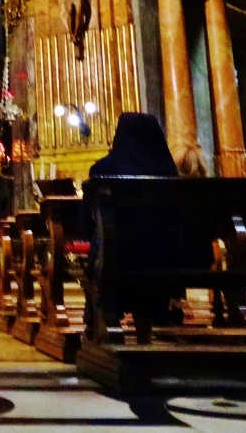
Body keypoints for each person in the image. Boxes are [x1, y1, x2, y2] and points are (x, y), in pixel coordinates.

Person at [83, 112, 181, 337]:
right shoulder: (168, 171)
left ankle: (97, 326)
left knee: (102, 254)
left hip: (118, 257)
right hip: (165, 260)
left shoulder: (103, 170)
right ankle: (148, 323)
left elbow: (86, 221)